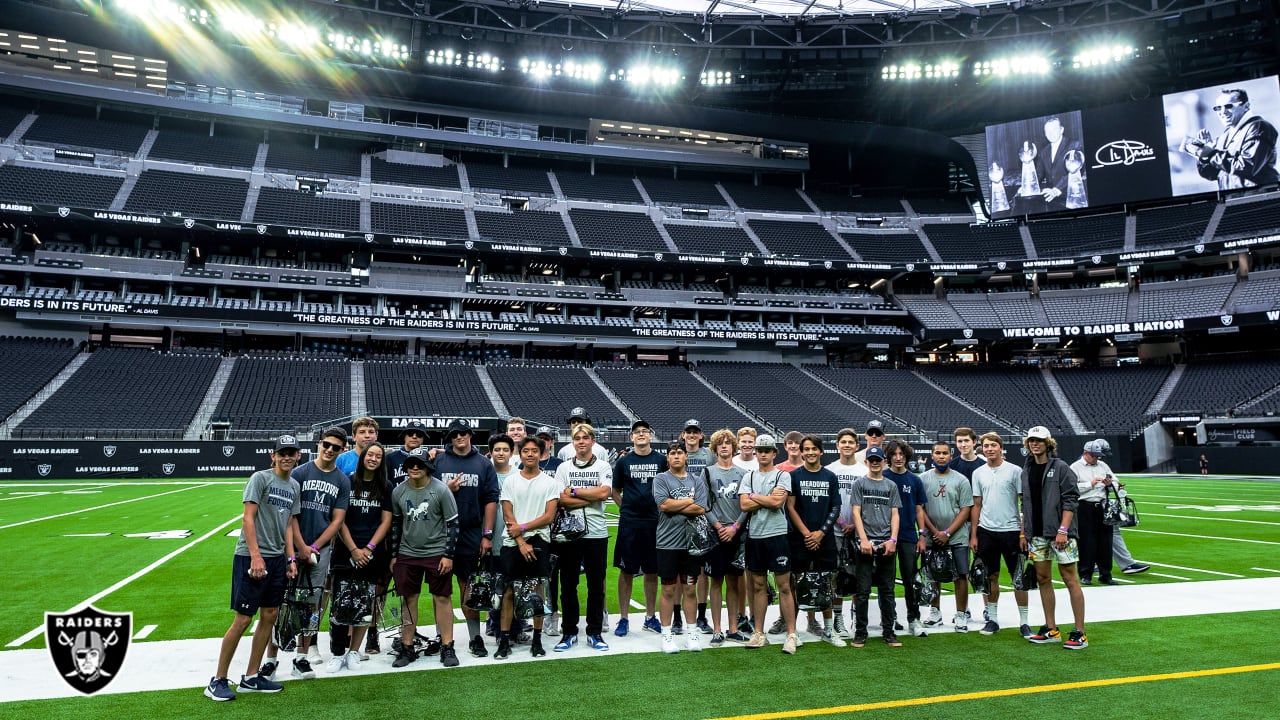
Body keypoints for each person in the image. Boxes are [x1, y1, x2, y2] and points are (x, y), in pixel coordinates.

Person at [205, 435, 300, 702]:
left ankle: (250, 677)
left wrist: (291, 559)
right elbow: (248, 519)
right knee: (243, 619)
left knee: (269, 615)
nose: (286, 457)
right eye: (282, 453)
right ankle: (218, 680)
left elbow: (290, 525)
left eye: (291, 453)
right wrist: (256, 557)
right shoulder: (260, 478)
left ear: (297, 456)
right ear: (273, 456)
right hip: (251, 557)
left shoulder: (293, 485)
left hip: (277, 559)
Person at [262, 426, 350, 680]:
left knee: (311, 606)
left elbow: (337, 520)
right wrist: (300, 547)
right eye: (327, 445)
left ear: (342, 450)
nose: (330, 450)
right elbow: (291, 514)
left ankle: (301, 657)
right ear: (319, 445)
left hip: (319, 550)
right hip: (290, 546)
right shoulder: (300, 472)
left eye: (336, 447)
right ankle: (271, 658)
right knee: (279, 604)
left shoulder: (342, 481)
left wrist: (314, 547)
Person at [432, 419, 500, 659]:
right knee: (440, 589)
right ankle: (441, 637)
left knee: (468, 587)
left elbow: (490, 500)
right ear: (449, 438)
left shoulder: (483, 463)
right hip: (440, 532)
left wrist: (487, 535)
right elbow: (428, 496)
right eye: (454, 434)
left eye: (463, 433)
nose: (459, 437)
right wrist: (445, 489)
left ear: (470, 434)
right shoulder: (438, 461)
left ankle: (475, 637)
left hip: (470, 532)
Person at [389, 447, 461, 668]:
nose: (415, 468)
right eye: (411, 464)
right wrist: (394, 555)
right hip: (408, 553)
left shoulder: (440, 490)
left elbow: (453, 524)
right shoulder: (399, 491)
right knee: (408, 599)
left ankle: (447, 646)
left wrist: (448, 555)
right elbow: (395, 525)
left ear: (427, 467)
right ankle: (407, 646)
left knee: (442, 598)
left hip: (436, 553)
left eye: (420, 464)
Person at [327, 440, 392, 672]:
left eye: (378, 456)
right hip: (346, 550)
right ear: (363, 456)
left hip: (372, 552)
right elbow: (340, 519)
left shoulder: (386, 486)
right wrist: (354, 549)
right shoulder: (347, 482)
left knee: (365, 603)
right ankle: (337, 652)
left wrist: (370, 548)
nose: (373, 459)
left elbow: (386, 521)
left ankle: (355, 651)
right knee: (340, 601)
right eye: (370, 455)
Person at [1021, 426, 1088, 650]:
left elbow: (1071, 500)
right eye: (1031, 440)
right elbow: (1026, 503)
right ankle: (1051, 628)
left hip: (1061, 534)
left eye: (1039, 440)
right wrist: (1024, 532)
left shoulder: (1061, 467)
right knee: (1042, 579)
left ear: (1047, 443)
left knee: (1070, 579)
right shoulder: (1027, 468)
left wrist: (1063, 530)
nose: (1035, 444)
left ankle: (1080, 632)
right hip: (1037, 534)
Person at [495, 437, 560, 660]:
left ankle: (537, 639)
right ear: (519, 454)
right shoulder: (511, 481)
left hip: (539, 541)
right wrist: (521, 541)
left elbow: (549, 516)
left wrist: (523, 527)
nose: (530, 454)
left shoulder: (549, 482)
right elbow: (507, 514)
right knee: (509, 591)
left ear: (541, 454)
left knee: (537, 592)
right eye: (526, 451)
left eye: (534, 451)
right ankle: (504, 640)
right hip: (513, 543)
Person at [553, 422, 614, 652]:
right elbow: (561, 499)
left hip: (597, 532)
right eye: (577, 438)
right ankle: (569, 632)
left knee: (596, 585)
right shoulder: (563, 468)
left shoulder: (603, 465)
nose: (581, 441)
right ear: (572, 442)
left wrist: (576, 491)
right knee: (568, 585)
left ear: (592, 441)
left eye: (585, 438)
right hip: (569, 534)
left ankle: (594, 631)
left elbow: (604, 493)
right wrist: (591, 496)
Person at [738, 434, 798, 653]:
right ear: (756, 453)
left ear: (774, 453)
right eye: (759, 451)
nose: (763, 454)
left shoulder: (782, 475)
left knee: (784, 585)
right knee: (758, 586)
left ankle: (791, 634)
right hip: (755, 536)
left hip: (777, 535)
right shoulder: (749, 476)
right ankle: (759, 633)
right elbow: (744, 505)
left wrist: (754, 497)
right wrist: (761, 497)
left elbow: (777, 502)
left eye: (767, 451)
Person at [969, 432, 1031, 638]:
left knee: (1018, 577)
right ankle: (993, 619)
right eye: (986, 446)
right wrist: (974, 535)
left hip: (1012, 531)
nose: (989, 449)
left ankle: (1024, 622)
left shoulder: (1014, 471)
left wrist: (1023, 533)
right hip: (987, 531)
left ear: (1000, 447)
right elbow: (976, 505)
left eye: (993, 445)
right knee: (991, 576)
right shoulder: (978, 473)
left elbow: (1024, 503)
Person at [785, 435, 843, 647]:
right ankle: (793, 631)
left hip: (824, 539)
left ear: (821, 452)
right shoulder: (793, 476)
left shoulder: (830, 476)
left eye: (813, 449)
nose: (810, 452)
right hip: (800, 540)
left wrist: (820, 532)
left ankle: (828, 628)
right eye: (806, 449)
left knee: (827, 583)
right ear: (801, 452)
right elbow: (790, 507)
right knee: (795, 583)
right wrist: (807, 533)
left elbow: (835, 507)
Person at [611, 419, 666, 636]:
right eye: (637, 432)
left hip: (654, 523)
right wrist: (627, 509)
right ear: (631, 437)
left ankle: (650, 617)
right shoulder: (623, 462)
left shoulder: (661, 460)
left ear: (650, 435)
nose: (641, 434)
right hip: (630, 524)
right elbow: (615, 491)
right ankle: (623, 618)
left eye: (644, 431)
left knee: (652, 571)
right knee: (626, 570)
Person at [653, 443, 710, 653]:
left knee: (689, 588)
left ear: (686, 456)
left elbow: (702, 508)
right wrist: (688, 501)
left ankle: (692, 632)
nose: (676, 456)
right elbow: (663, 505)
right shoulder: (661, 479)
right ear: (668, 458)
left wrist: (676, 503)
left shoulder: (697, 480)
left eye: (679, 453)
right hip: (667, 542)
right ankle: (666, 634)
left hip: (691, 543)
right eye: (672, 453)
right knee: (668, 588)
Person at [917, 441, 973, 635]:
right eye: (937, 453)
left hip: (957, 536)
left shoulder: (961, 480)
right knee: (933, 574)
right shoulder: (922, 479)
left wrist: (948, 532)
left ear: (951, 456)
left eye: (945, 453)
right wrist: (934, 532)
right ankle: (935, 612)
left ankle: (960, 614)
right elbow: (920, 509)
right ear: (932, 456)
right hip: (933, 537)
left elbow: (966, 509)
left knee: (961, 575)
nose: (941, 456)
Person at [849, 446, 902, 648]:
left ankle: (889, 632)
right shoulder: (860, 483)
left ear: (884, 461)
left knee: (887, 591)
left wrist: (893, 540)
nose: (874, 462)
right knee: (862, 591)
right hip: (865, 542)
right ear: (866, 462)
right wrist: (863, 539)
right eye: (871, 459)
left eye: (878, 459)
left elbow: (895, 514)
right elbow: (856, 512)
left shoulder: (891, 486)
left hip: (885, 542)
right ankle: (860, 632)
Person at [704, 428, 748, 644]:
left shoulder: (742, 473)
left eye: (727, 443)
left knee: (733, 582)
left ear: (733, 446)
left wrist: (735, 527)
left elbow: (746, 504)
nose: (724, 446)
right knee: (715, 582)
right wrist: (719, 526)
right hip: (716, 534)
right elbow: (704, 504)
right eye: (720, 443)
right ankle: (717, 630)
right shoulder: (708, 472)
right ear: (714, 448)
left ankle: (733, 628)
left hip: (736, 534)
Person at [1186, 88, 1279, 190]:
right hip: (1234, 199)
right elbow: (1211, 174)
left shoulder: (1258, 127)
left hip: (1258, 198)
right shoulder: (1225, 135)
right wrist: (1203, 154)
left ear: (1246, 106)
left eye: (1228, 106)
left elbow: (1247, 167)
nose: (1222, 112)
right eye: (1218, 108)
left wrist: (1212, 154)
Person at [882, 439, 928, 637]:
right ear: (889, 457)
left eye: (901, 454)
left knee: (910, 579)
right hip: (886, 536)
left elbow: (919, 509)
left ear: (907, 456)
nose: (898, 458)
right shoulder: (882, 477)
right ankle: (890, 619)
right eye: (894, 454)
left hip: (909, 535)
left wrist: (922, 535)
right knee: (887, 580)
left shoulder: (915, 480)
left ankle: (913, 618)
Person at [825, 427, 865, 638]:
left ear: (856, 446)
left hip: (858, 533)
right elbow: (830, 501)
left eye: (851, 442)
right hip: (836, 531)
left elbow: (865, 504)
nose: (847, 445)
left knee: (858, 576)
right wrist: (841, 522)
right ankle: (837, 620)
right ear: (837, 445)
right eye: (844, 442)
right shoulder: (831, 470)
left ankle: (858, 619)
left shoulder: (863, 471)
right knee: (836, 577)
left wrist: (855, 526)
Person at [681, 419, 714, 633]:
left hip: (703, 518)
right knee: (677, 570)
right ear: (683, 435)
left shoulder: (709, 456)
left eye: (696, 432)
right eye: (688, 432)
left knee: (702, 571)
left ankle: (702, 616)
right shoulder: (676, 453)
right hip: (679, 519)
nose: (692, 435)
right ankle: (677, 617)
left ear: (701, 435)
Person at [1071, 439, 1117, 587]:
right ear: (1085, 453)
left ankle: (1106, 574)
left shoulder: (1103, 466)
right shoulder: (1075, 467)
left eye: (1098, 456)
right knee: (1086, 542)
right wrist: (1090, 484)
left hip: (1102, 506)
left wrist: (1110, 484)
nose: (1097, 458)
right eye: (1094, 456)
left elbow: (1116, 482)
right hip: (1084, 506)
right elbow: (1071, 488)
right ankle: (1086, 574)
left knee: (1106, 542)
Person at [1036, 116, 1083, 211]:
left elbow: (1075, 172)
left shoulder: (1075, 145)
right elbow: (1039, 174)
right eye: (1047, 131)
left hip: (1071, 196)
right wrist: (1026, 187)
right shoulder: (1043, 151)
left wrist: (1057, 190)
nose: (1050, 133)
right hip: (1050, 198)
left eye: (1054, 129)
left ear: (1061, 130)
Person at [386, 421, 427, 489]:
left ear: (423, 439)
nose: (414, 436)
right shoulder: (390, 457)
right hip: (396, 498)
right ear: (404, 436)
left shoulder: (427, 458)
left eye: (419, 434)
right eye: (410, 433)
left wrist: (437, 450)